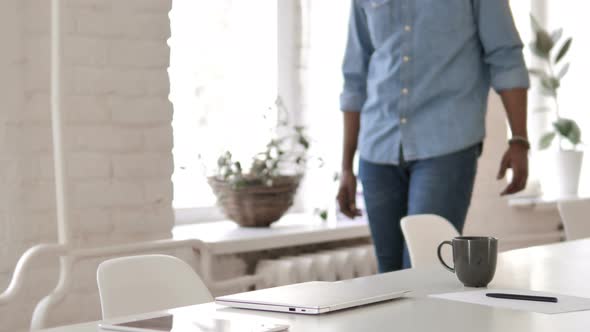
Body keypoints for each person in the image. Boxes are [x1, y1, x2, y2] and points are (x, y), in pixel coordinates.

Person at [337, 0, 530, 273]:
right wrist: (346, 167)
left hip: (447, 146)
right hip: (377, 150)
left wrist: (519, 139)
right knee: (388, 279)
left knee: (428, 270)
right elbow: (355, 77)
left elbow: (506, 57)